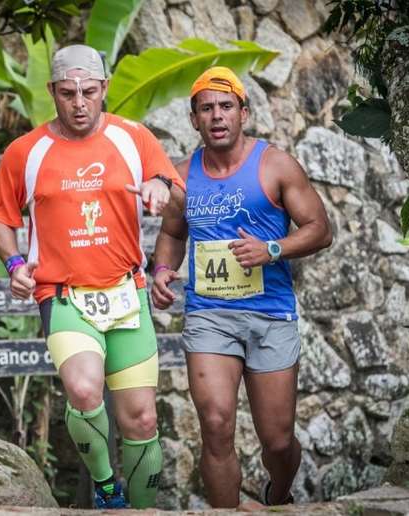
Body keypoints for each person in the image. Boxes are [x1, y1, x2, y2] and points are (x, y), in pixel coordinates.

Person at [0, 44, 185, 509]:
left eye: (89, 92)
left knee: (142, 421)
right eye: (68, 93)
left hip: (126, 293)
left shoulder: (133, 137)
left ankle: (140, 506)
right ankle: (106, 485)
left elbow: (173, 192)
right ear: (52, 90)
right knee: (83, 387)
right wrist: (14, 264)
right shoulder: (26, 151)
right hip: (64, 296)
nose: (79, 103)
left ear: (105, 89)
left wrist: (159, 188)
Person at [151, 66, 332, 508]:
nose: (217, 116)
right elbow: (173, 235)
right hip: (209, 315)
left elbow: (320, 229)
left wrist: (272, 248)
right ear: (194, 120)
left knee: (276, 441)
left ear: (243, 113)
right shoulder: (180, 177)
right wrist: (160, 269)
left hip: (270, 314)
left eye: (226, 107)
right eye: (206, 109)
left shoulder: (275, 165)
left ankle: (279, 493)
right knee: (214, 424)